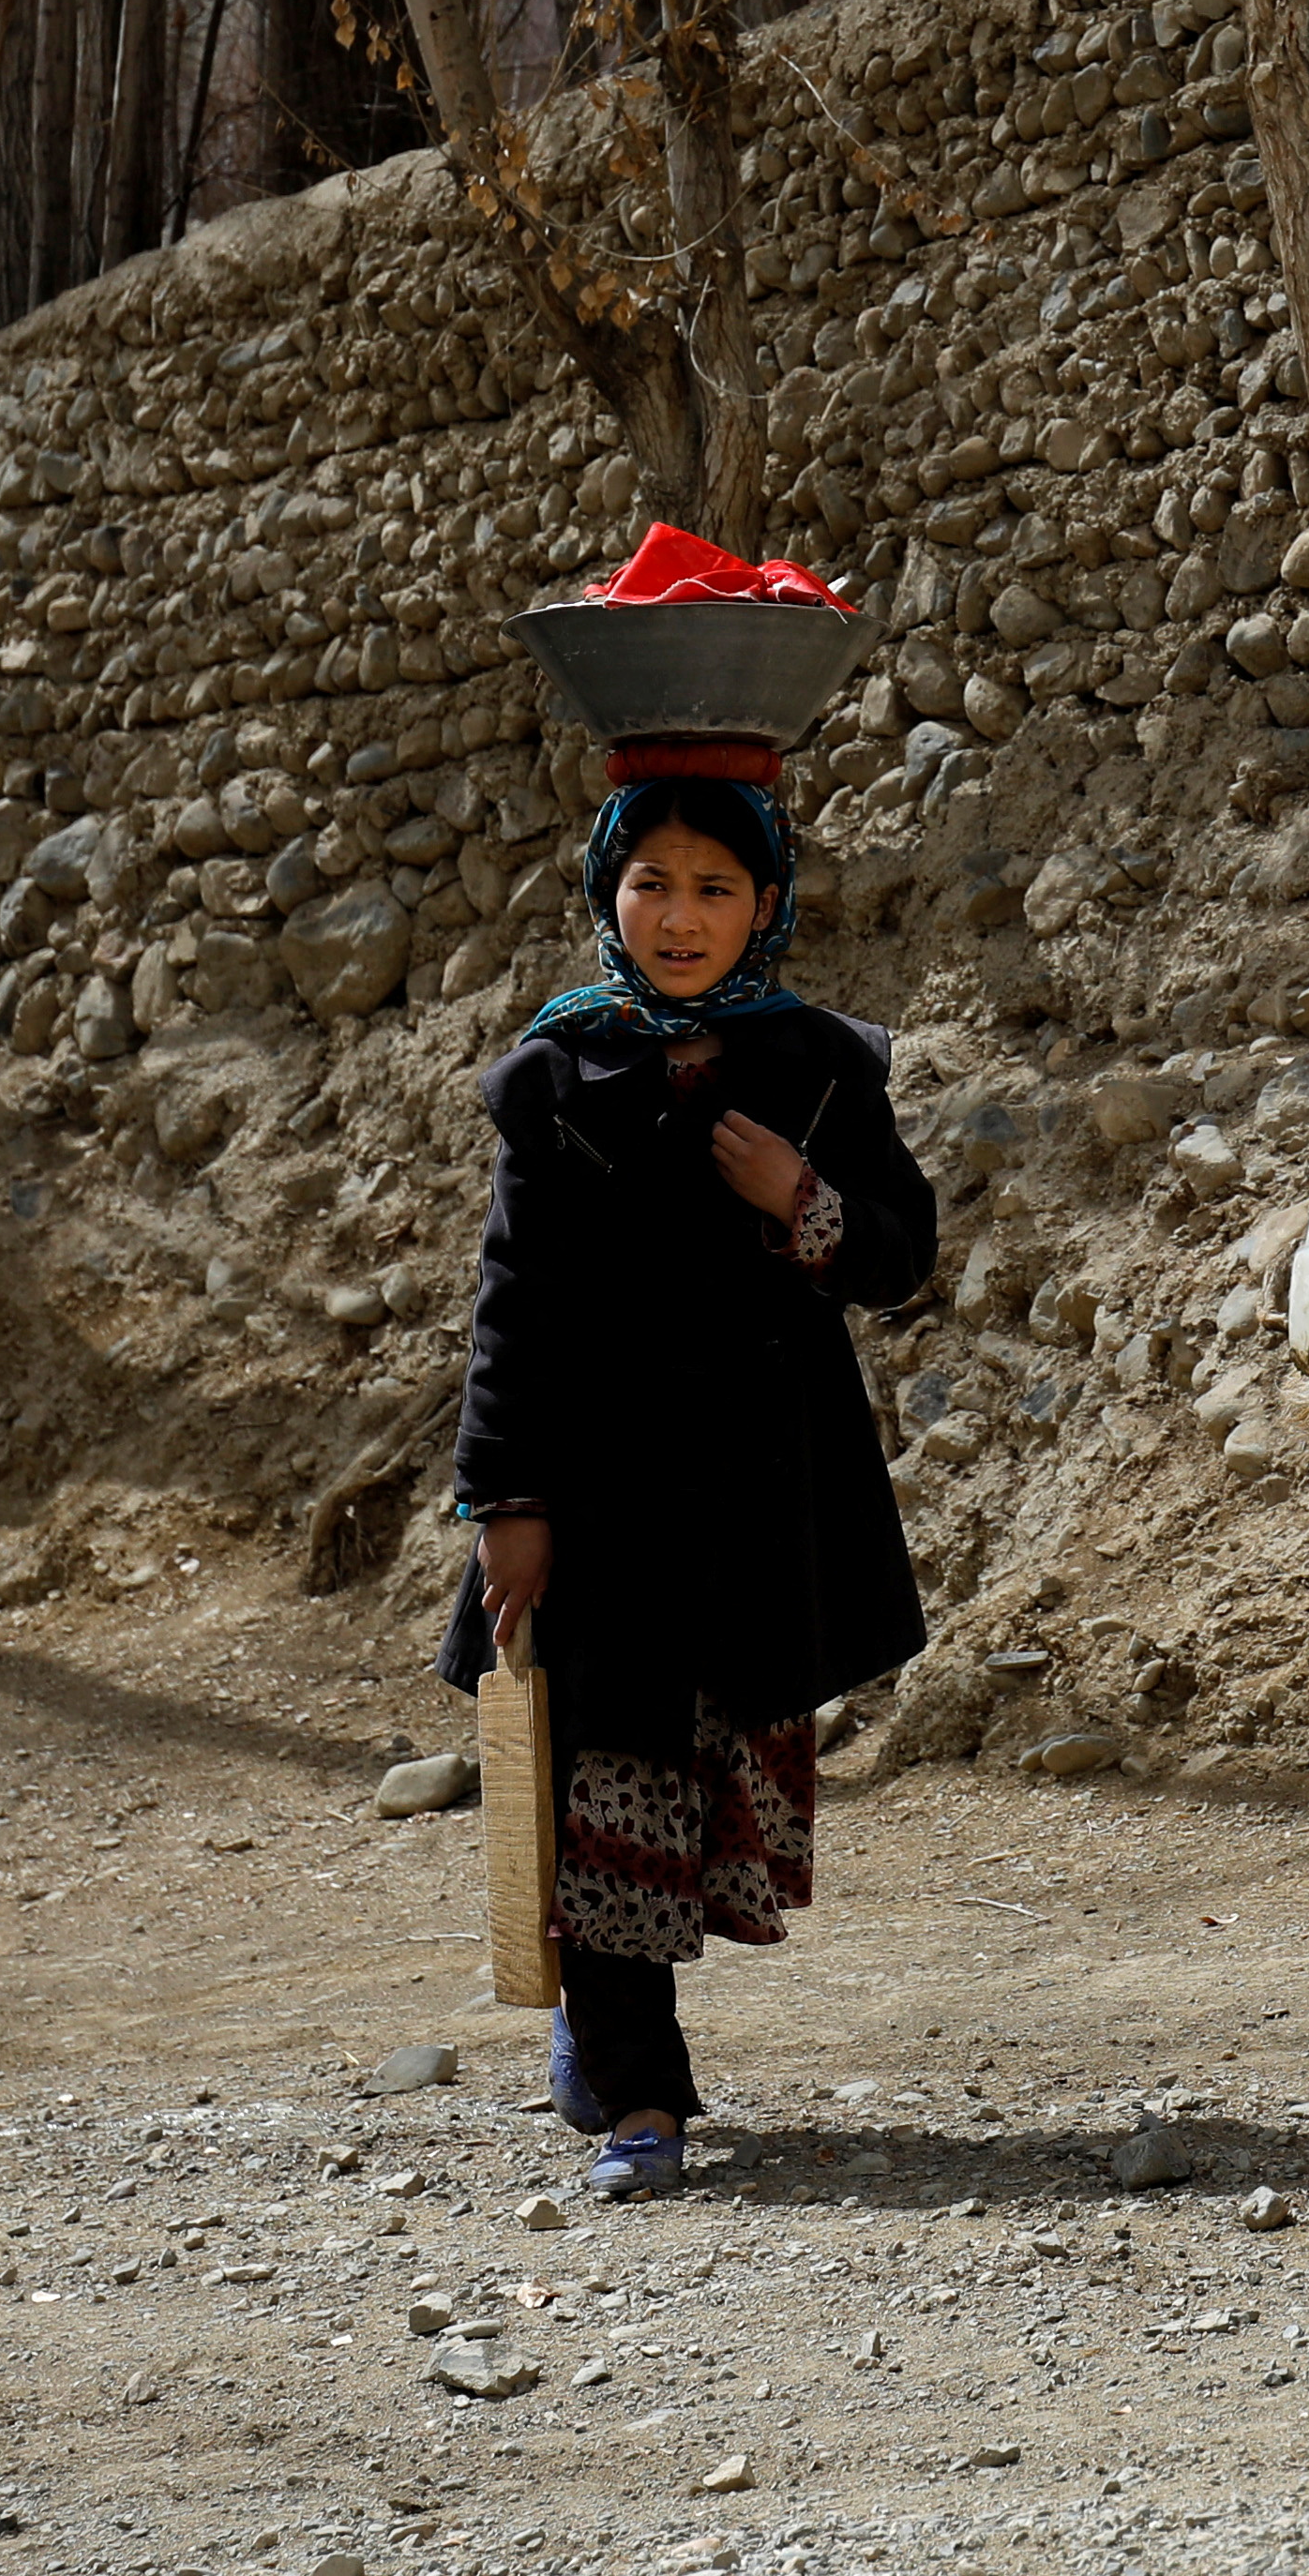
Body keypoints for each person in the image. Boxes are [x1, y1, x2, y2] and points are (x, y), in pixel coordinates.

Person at [445, 760, 935, 2199]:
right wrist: (508, 1505)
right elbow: (511, 1304)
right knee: (605, 1770)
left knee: (687, 1784)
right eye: (649, 882)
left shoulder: (821, 1068)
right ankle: (642, 2096)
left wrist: (802, 1199)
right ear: (609, 896)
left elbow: (901, 1257)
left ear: (765, 905)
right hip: (593, 1508)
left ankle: (601, 2050)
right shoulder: (554, 1075)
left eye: (714, 887)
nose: (678, 914)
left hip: (750, 1505)